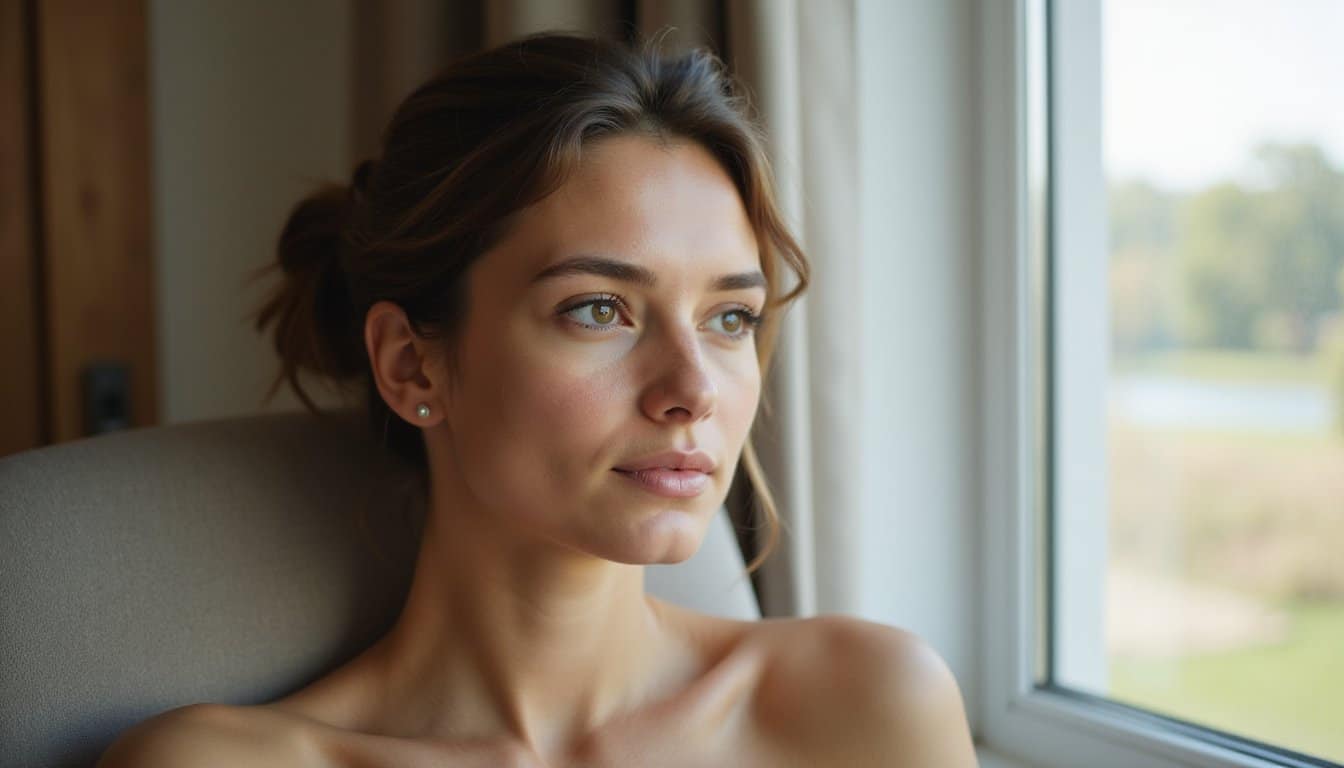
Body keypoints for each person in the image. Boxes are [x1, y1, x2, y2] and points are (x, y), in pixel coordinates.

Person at [96, 31, 977, 768]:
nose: (693, 391)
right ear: (412, 366)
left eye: (730, 317)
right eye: (600, 310)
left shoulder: (869, 711)